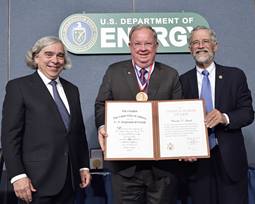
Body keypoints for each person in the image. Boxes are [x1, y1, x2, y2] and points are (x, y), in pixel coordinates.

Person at [95, 24, 182, 204]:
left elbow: (178, 113)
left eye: (148, 43)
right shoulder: (114, 72)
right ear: (130, 46)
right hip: (125, 168)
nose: (143, 49)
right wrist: (103, 126)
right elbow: (101, 104)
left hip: (162, 169)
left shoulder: (171, 75)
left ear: (156, 46)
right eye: (137, 44)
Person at [1, 36, 91, 204]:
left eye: (60, 55)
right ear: (36, 57)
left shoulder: (72, 90)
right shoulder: (18, 87)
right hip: (35, 183)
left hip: (69, 181)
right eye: (48, 54)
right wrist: (17, 176)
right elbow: (9, 136)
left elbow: (78, 133)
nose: (55, 60)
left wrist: (83, 166)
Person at [180, 26, 254, 204]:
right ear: (190, 49)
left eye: (205, 41)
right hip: (196, 162)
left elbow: (247, 113)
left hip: (230, 160)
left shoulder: (235, 76)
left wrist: (224, 118)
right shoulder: (181, 81)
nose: (200, 46)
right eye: (195, 43)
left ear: (215, 46)